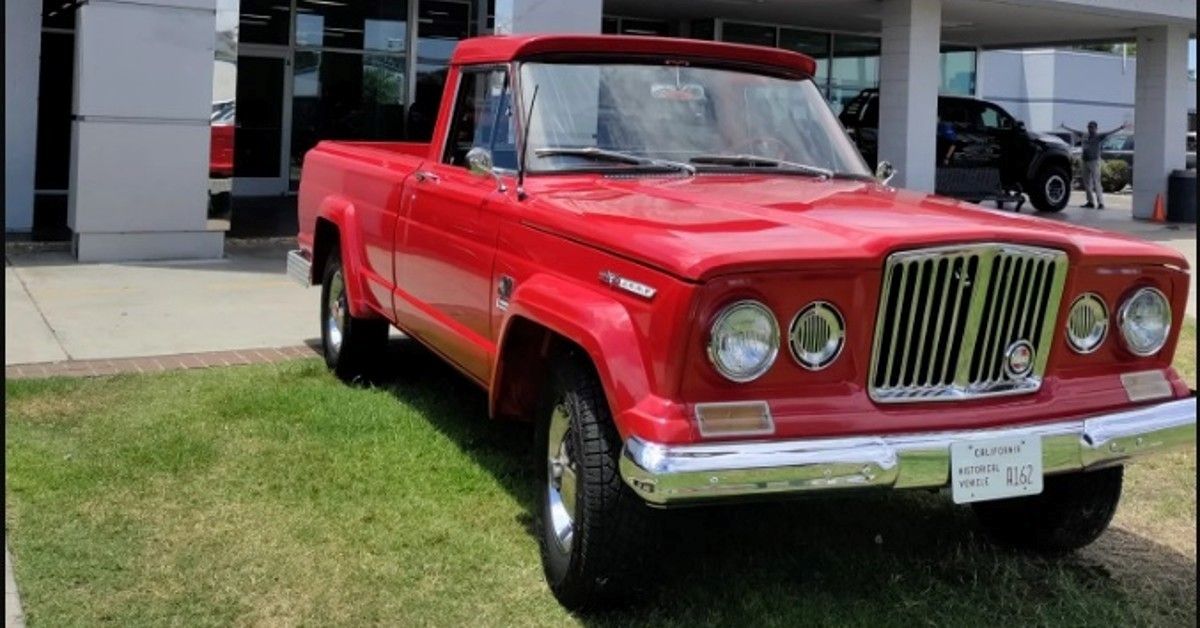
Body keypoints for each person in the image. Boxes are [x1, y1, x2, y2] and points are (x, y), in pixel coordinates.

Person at [1060, 120, 1128, 209]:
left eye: (1092, 127)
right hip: (1085, 160)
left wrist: (1121, 128)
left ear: (1096, 128)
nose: (1090, 129)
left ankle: (1101, 203)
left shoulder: (1098, 136)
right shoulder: (1084, 135)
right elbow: (1074, 131)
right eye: (1089, 127)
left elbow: (1110, 132)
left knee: (1097, 182)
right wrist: (1064, 127)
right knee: (1087, 183)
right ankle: (1090, 202)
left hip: (1094, 161)